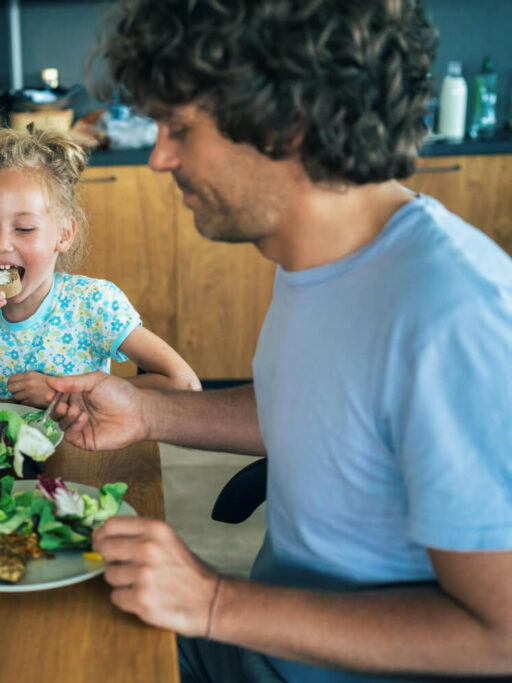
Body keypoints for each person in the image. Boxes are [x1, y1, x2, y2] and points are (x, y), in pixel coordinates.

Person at [47, 0, 512, 680]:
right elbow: (325, 413)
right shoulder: (318, 261)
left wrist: (212, 601)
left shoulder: (456, 317)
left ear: (286, 123)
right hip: (262, 644)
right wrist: (149, 410)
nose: (159, 157)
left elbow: (498, 637)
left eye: (179, 128)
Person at [0, 125, 200, 406]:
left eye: (24, 229)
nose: (1, 244)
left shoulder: (93, 305)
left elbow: (184, 383)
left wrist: (69, 393)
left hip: (77, 472)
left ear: (64, 235)